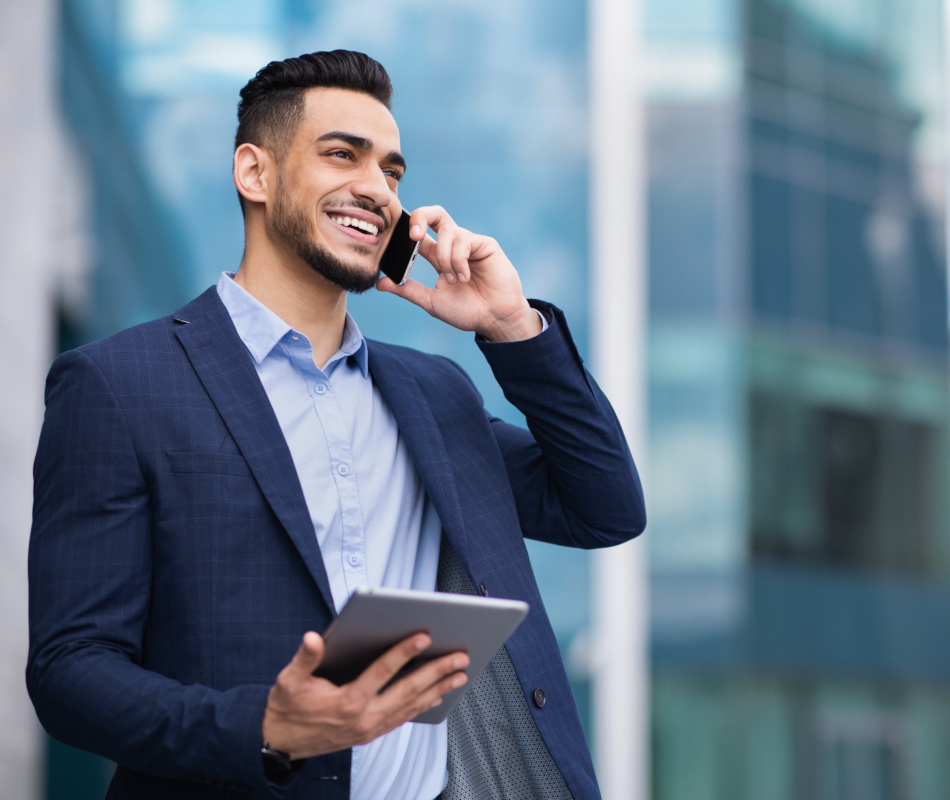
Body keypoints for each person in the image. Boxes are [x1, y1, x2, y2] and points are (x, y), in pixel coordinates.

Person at [27, 50, 645, 800]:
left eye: (391, 171)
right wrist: (267, 726)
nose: (376, 190)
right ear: (254, 173)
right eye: (341, 155)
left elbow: (603, 506)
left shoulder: (433, 395)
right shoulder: (120, 384)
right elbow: (72, 671)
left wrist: (512, 326)